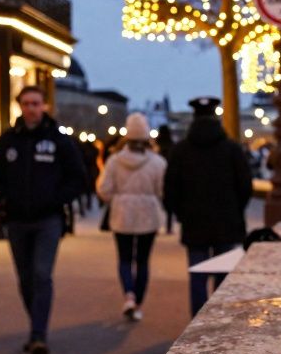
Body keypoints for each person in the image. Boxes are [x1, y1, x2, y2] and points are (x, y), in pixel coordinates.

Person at [0, 86, 87, 354]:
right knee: (26, 277)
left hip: (48, 220)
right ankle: (36, 327)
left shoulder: (57, 140)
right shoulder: (8, 140)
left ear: (45, 106)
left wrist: (57, 200)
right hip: (16, 220)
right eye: (26, 103)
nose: (31, 108)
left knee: (42, 274)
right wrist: (3, 200)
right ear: (20, 106)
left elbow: (77, 176)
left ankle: (39, 334)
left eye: (36, 103)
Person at [164, 97, 252, 316]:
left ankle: (197, 325)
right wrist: (235, 210)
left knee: (198, 276)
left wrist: (181, 214)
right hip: (227, 222)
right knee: (222, 277)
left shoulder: (181, 150)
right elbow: (245, 186)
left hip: (194, 223)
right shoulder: (232, 149)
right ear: (216, 117)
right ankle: (218, 321)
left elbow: (170, 188)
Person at [97, 112, 166, 322]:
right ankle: (137, 303)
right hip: (148, 213)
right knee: (143, 261)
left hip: (122, 214)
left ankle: (128, 294)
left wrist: (116, 199)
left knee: (125, 259)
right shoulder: (157, 162)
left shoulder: (115, 161)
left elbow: (103, 188)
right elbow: (162, 190)